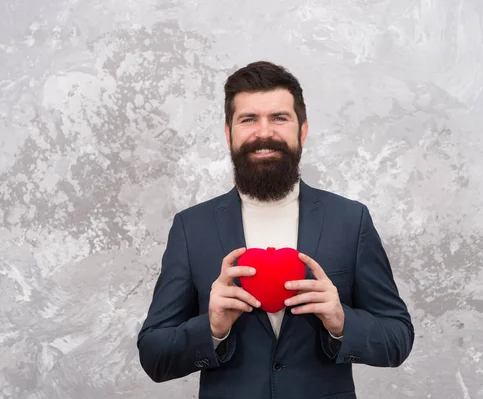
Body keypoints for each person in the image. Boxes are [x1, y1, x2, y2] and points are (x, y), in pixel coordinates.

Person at [137, 61, 415, 399]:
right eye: (249, 119)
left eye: (279, 118)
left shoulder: (350, 219)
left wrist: (342, 322)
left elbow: (397, 339)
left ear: (303, 130)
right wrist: (211, 329)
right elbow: (154, 355)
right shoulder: (191, 227)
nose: (264, 132)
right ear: (229, 133)